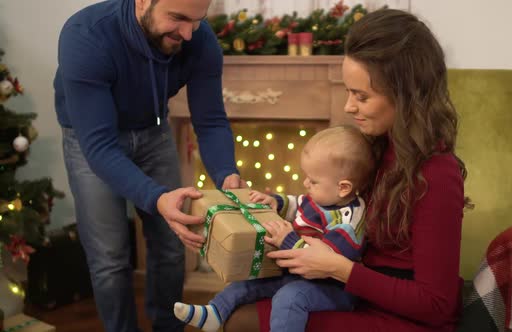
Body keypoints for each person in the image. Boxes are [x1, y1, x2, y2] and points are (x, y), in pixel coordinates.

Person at [222, 8, 470, 332]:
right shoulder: (374, 146)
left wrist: (339, 270)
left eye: (362, 96)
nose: (348, 107)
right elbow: (341, 215)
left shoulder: (437, 175)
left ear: (406, 95)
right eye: (348, 91)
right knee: (235, 304)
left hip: (400, 317)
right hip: (354, 295)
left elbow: (437, 306)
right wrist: (286, 209)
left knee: (243, 321)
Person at [54, 0, 246, 331]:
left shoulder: (200, 40)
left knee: (172, 246)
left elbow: (211, 121)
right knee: (110, 259)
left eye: (196, 21)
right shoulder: (85, 35)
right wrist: (157, 198)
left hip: (153, 132)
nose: (187, 33)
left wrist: (227, 174)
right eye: (178, 18)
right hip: (91, 140)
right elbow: (99, 146)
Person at [173, 125, 376, 332]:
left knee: (289, 298)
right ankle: (215, 312)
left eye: (313, 181)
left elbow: (325, 260)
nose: (306, 183)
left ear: (343, 187)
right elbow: (299, 202)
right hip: (298, 273)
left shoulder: (349, 220)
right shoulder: (324, 196)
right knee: (249, 282)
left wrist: (288, 240)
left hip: (333, 287)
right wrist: (276, 202)